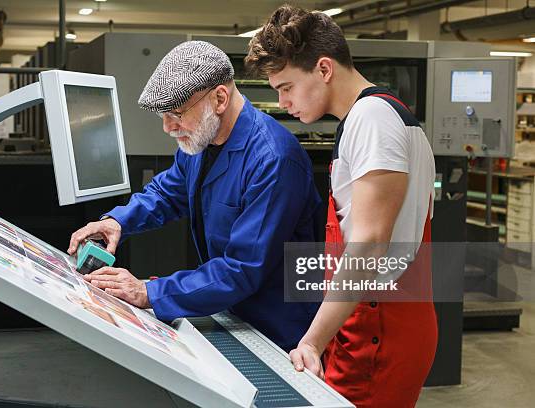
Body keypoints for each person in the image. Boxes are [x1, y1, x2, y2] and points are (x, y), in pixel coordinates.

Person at [68, 41, 321, 351]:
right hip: (232, 311)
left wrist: (149, 292)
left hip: (280, 327)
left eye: (175, 113)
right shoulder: (200, 142)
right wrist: (117, 221)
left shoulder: (274, 159)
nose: (167, 128)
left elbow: (241, 268)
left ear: (219, 98)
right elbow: (167, 193)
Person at [245, 5, 438, 407]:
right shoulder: (377, 115)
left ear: (324, 69)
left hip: (379, 329)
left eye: (286, 87)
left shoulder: (372, 120)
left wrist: (312, 342)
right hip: (375, 320)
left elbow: (368, 245)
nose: (283, 102)